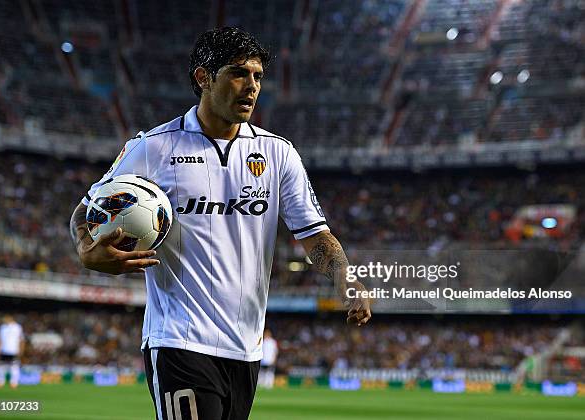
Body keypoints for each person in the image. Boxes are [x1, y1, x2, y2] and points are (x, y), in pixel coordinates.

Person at [70, 27, 371, 420]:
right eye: (237, 73)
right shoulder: (155, 147)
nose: (251, 86)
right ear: (203, 77)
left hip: (245, 349)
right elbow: (86, 209)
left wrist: (345, 277)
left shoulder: (278, 154)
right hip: (179, 340)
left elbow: (314, 235)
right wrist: (85, 250)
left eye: (258, 76)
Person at [0, 315, 24, 389]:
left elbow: (21, 340)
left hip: (13, 350)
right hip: (3, 350)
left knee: (14, 367)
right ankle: (0, 382)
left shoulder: (17, 327)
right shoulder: (2, 327)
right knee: (1, 367)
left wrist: (21, 349)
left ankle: (14, 383)